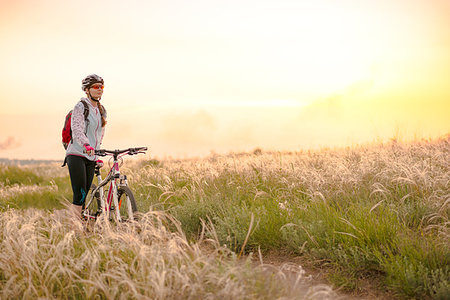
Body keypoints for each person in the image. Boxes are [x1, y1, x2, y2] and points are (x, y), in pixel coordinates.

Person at [65, 74, 107, 218]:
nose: (99, 89)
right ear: (87, 90)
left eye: (101, 87)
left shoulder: (101, 110)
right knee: (80, 194)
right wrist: (86, 145)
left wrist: (97, 153)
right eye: (96, 87)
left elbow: (99, 135)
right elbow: (76, 130)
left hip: (91, 155)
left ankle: (81, 222)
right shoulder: (80, 106)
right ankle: (74, 230)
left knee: (86, 192)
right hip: (76, 154)